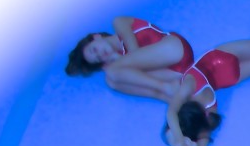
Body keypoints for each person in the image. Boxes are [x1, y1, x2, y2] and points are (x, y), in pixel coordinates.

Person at [65, 16, 195, 100]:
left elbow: (135, 53)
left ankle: (165, 88)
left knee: (113, 72)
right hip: (177, 73)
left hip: (175, 49)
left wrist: (117, 61)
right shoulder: (121, 63)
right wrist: (118, 64)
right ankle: (167, 95)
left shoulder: (119, 23)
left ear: (96, 36)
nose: (100, 54)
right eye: (98, 58)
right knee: (111, 81)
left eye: (94, 49)